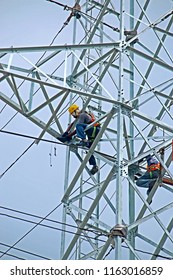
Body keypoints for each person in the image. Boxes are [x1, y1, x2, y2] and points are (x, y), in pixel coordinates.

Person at [58, 104, 100, 175]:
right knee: (89, 150)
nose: (73, 116)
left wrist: (68, 136)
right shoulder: (82, 116)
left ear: (76, 110)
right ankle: (94, 166)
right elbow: (73, 125)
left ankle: (84, 140)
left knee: (78, 126)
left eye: (73, 113)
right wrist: (67, 133)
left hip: (94, 130)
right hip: (93, 134)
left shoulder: (82, 115)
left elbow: (78, 127)